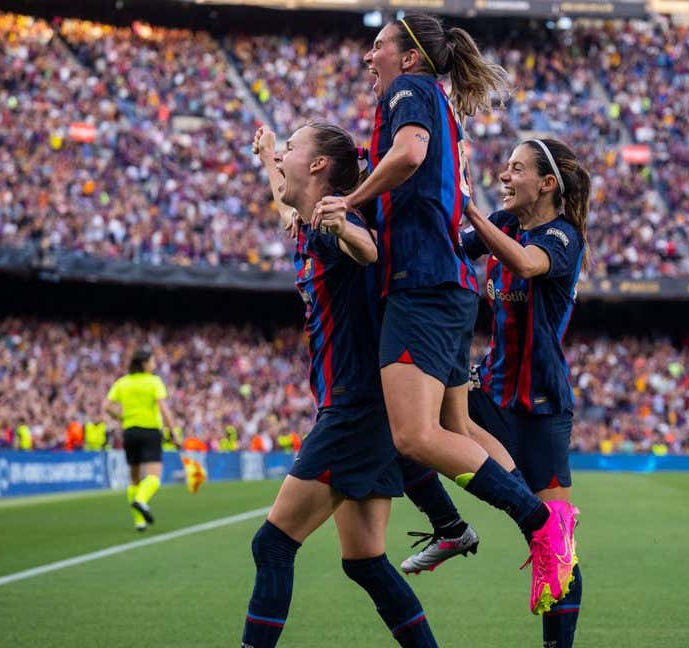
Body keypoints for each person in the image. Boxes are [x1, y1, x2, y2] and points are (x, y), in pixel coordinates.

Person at [314, 13, 576, 614]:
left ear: (409, 57)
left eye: (378, 46)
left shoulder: (410, 90)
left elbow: (409, 154)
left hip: (422, 285)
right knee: (454, 429)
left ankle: (542, 523)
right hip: (443, 285)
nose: (367, 56)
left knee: (412, 435)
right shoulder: (430, 96)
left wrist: (348, 199)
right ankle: (526, 523)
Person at [240, 122, 436, 648]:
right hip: (363, 409)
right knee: (365, 561)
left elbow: (366, 250)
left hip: (356, 408)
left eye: (290, 149)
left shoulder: (334, 224)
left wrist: (344, 225)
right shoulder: (308, 221)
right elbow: (287, 207)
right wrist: (265, 156)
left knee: (273, 545)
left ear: (320, 165)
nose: (282, 156)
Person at [461, 138, 591, 646]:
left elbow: (524, 265)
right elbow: (451, 245)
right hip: (491, 393)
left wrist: (469, 206)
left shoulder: (562, 237)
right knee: (411, 419)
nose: (505, 176)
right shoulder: (504, 222)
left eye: (516, 169)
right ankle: (450, 526)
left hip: (542, 409)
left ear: (547, 183)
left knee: (558, 549)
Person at [105, 346, 178, 531]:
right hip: (150, 432)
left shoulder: (123, 382)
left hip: (130, 432)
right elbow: (164, 408)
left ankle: (139, 521)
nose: (154, 364)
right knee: (154, 476)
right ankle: (141, 499)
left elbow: (106, 406)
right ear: (144, 363)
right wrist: (173, 431)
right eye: (152, 361)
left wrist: (122, 418)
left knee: (135, 479)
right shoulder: (153, 382)